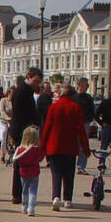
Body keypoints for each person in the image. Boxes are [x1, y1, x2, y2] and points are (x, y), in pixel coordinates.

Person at [41, 82, 89, 210]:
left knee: (56, 173)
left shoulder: (53, 107)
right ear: (72, 94)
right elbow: (81, 130)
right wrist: (86, 148)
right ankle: (68, 199)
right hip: (70, 146)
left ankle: (56, 197)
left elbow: (47, 128)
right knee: (69, 173)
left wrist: (42, 147)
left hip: (54, 145)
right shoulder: (76, 107)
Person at [9, 68, 44, 204]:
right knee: (21, 162)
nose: (37, 84)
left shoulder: (24, 90)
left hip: (23, 130)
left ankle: (19, 193)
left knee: (21, 161)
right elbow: (20, 114)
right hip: (22, 132)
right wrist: (31, 128)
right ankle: (18, 193)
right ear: (28, 77)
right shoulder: (23, 92)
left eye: (38, 82)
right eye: (35, 81)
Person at [13, 126, 45, 216]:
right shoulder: (37, 149)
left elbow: (17, 159)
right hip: (34, 170)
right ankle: (31, 208)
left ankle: (24, 206)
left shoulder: (20, 149)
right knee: (33, 191)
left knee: (24, 190)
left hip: (23, 171)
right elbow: (41, 158)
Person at [74, 78, 96, 173]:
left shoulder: (88, 98)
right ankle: (71, 165)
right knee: (74, 144)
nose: (87, 87)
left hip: (85, 123)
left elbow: (92, 111)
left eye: (87, 85)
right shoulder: (74, 97)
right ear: (80, 85)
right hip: (74, 124)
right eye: (85, 85)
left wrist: (91, 119)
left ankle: (81, 166)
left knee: (83, 145)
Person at [0, 88, 14, 161]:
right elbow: (2, 111)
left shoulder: (15, 101)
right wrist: (8, 118)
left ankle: (11, 154)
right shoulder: (3, 100)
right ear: (8, 93)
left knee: (10, 139)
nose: (13, 95)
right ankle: (2, 155)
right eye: (12, 93)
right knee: (3, 138)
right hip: (3, 121)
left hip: (13, 122)